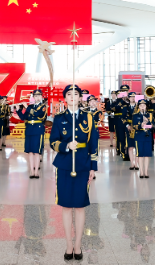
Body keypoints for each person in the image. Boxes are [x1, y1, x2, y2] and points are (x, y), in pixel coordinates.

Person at [49, 84, 98, 261]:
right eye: (69, 94)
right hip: (64, 165)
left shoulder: (88, 118)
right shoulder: (59, 118)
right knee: (66, 205)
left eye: (75, 94)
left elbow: (94, 143)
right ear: (65, 98)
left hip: (83, 164)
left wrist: (93, 167)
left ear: (80, 98)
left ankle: (78, 245)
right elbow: (53, 141)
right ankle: (68, 245)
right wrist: (66, 145)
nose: (72, 97)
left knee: (80, 205)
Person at [17, 89, 47, 179]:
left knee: (36, 152)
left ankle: (36, 171)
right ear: (33, 97)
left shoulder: (43, 106)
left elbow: (38, 114)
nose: (37, 97)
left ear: (41, 97)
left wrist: (27, 107)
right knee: (30, 152)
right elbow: (24, 117)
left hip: (38, 130)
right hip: (29, 129)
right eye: (35, 96)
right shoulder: (30, 106)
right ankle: (31, 171)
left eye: (39, 96)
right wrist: (18, 110)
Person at [132, 100, 154, 178]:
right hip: (139, 136)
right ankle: (141, 172)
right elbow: (134, 126)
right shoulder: (135, 115)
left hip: (147, 136)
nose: (142, 107)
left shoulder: (150, 115)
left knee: (147, 155)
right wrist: (141, 125)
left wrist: (148, 123)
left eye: (144, 105)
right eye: (141, 106)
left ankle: (146, 172)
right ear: (138, 107)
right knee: (140, 155)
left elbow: (153, 126)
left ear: (146, 107)